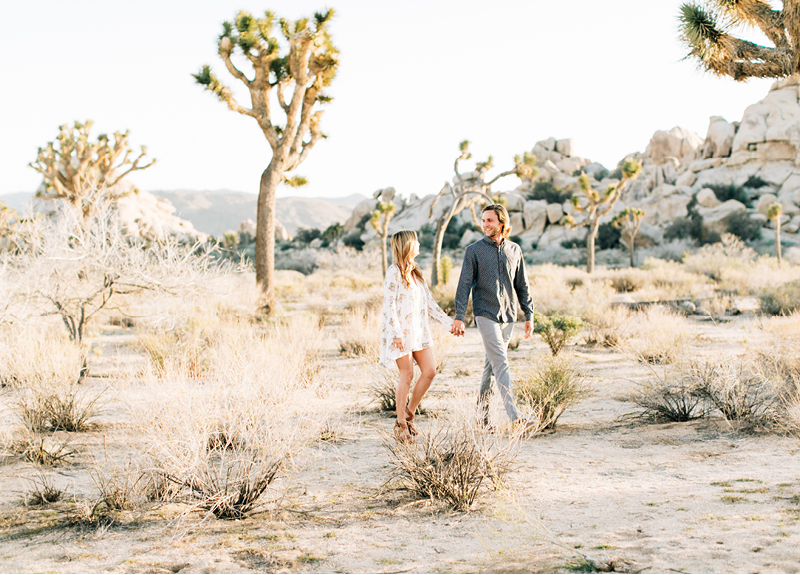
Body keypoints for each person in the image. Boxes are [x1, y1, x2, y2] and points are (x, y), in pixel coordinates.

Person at [450, 203, 534, 429]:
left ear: (502, 223)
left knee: (491, 367)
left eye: (490, 220)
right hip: (485, 313)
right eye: (483, 220)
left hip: (508, 316)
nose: (485, 224)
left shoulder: (515, 250)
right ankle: (515, 418)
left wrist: (529, 314)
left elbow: (522, 285)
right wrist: (459, 315)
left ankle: (482, 418)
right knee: (501, 363)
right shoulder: (474, 250)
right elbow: (464, 284)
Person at [380, 229, 454, 442]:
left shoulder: (416, 273)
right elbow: (389, 305)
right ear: (408, 245)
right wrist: (395, 333)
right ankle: (401, 425)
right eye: (417, 241)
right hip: (400, 333)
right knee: (407, 375)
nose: (420, 244)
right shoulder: (394, 272)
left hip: (419, 332)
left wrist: (449, 323)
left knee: (430, 371)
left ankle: (409, 413)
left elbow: (430, 304)